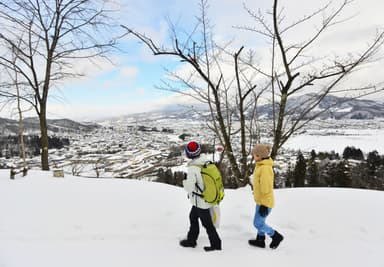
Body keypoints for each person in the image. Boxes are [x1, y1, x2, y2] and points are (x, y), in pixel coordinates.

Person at [179, 141, 222, 252]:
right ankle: (192, 239)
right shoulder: (206, 161)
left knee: (207, 224)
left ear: (189, 154)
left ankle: (216, 245)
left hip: (200, 201)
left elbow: (189, 188)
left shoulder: (193, 168)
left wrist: (184, 181)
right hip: (205, 198)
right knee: (193, 217)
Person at [248, 144, 284, 249]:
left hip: (265, 202)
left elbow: (266, 188)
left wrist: (264, 204)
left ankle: (275, 236)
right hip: (260, 200)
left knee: (257, 223)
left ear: (259, 155)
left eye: (254, 154)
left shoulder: (265, 168)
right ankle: (260, 240)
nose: (253, 156)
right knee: (260, 221)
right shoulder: (260, 165)